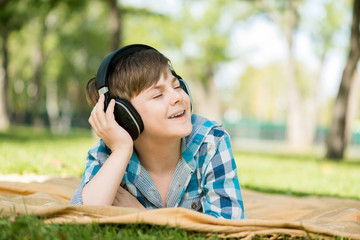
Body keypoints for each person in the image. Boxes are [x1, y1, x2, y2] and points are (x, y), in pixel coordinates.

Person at [69, 44, 245, 220]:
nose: (178, 97)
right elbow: (81, 216)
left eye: (177, 86)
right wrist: (122, 150)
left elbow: (229, 226)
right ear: (125, 116)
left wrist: (145, 215)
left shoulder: (211, 142)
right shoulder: (110, 153)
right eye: (157, 95)